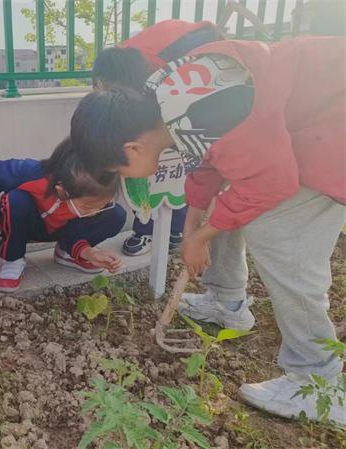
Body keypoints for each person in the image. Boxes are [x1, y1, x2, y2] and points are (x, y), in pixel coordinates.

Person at [69, 34, 345, 425]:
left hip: (333, 123)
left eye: (118, 172)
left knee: (278, 234)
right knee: (229, 205)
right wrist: (196, 222)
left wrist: (199, 237)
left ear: (132, 150)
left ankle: (319, 382)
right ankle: (228, 304)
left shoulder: (210, 107)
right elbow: (209, 159)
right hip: (307, 115)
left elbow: (271, 181)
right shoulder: (163, 99)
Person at [91, 20, 225, 257]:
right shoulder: (118, 64)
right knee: (150, 168)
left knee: (180, 166)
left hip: (198, 96)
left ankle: (175, 230)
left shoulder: (175, 71)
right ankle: (146, 229)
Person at [0, 137, 126, 292]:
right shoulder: (30, 173)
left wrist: (90, 253)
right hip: (31, 225)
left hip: (64, 229)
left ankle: (66, 254)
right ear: (62, 191)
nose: (94, 212)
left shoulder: (83, 205)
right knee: (15, 200)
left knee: (116, 214)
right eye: (89, 206)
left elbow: (75, 227)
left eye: (100, 205)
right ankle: (14, 259)